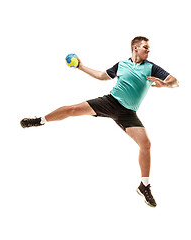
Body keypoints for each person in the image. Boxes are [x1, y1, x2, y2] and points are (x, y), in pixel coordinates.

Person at [20, 36, 179, 207]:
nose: (148, 50)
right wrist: (80, 66)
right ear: (135, 48)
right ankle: (40, 120)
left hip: (128, 113)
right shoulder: (121, 65)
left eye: (148, 48)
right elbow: (103, 76)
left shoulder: (151, 68)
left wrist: (164, 84)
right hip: (110, 102)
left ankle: (144, 185)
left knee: (145, 144)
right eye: (145, 47)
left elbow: (174, 81)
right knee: (72, 109)